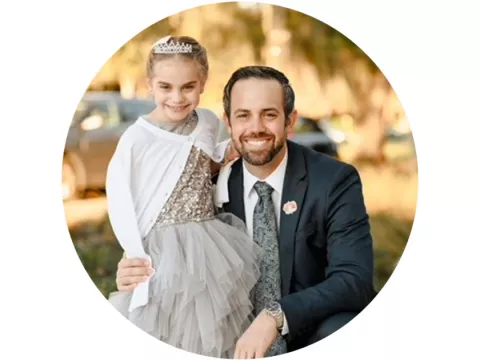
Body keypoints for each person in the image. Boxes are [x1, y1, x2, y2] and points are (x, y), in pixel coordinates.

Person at [116, 65, 377, 358]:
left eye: (269, 114)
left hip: (309, 333)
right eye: (243, 115)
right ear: (228, 122)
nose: (256, 127)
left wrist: (276, 317)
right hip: (227, 337)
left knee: (344, 327)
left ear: (290, 121)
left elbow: (354, 280)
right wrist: (134, 269)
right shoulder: (204, 186)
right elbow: (170, 240)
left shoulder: (333, 180)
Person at [105, 36, 262, 358]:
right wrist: (133, 252)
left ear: (203, 83)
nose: (177, 97)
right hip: (164, 250)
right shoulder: (137, 138)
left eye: (188, 87)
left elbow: (204, 162)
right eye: (165, 87)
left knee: (216, 328)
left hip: (211, 244)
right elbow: (120, 198)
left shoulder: (206, 121)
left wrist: (227, 155)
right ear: (149, 84)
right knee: (168, 327)